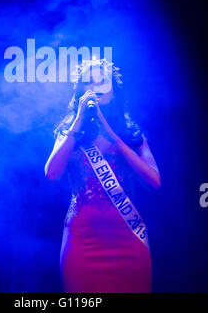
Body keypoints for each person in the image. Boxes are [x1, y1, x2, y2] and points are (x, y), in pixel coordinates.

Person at [44, 59, 161, 293]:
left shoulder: (131, 134)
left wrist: (114, 137)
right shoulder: (69, 133)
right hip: (82, 240)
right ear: (79, 92)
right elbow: (52, 173)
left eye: (102, 81)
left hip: (128, 237)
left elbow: (154, 182)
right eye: (88, 82)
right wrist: (77, 121)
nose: (95, 86)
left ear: (113, 90)